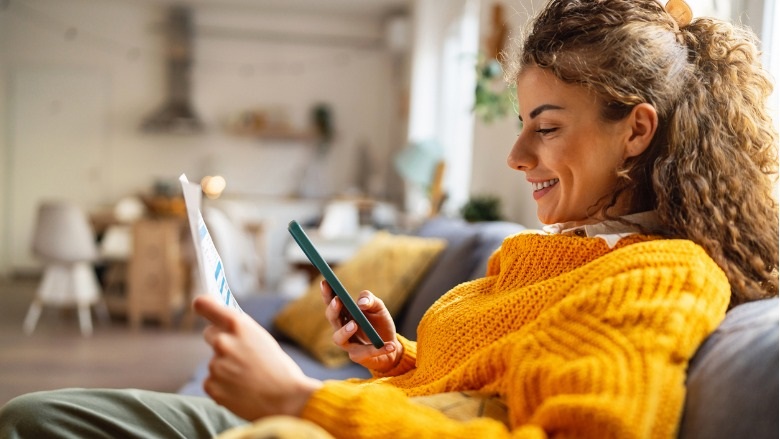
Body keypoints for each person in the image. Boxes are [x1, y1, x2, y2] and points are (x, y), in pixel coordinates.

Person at [1, 0, 777, 437]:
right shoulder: (539, 255)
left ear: (635, 130)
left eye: (544, 126)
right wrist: (396, 356)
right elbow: (475, 381)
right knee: (39, 414)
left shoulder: (659, 273)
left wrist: (300, 397)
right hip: (364, 413)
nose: (515, 154)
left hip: (328, 423)